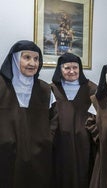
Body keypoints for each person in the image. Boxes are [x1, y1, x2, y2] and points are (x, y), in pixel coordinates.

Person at [0, 40, 58, 188]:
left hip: (39, 158)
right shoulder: (1, 86)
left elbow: (54, 118)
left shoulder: (45, 89)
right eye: (27, 57)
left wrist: (46, 139)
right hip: (5, 156)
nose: (32, 63)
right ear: (15, 58)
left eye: (36, 58)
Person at [51, 52, 97, 188]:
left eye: (75, 67)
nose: (72, 71)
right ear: (60, 69)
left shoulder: (92, 89)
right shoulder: (51, 89)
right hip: (59, 142)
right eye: (67, 68)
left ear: (80, 69)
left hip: (85, 142)